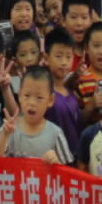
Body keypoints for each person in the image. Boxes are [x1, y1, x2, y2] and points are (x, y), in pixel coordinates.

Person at [0, 67, 73, 165]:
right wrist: (5, 135)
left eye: (39, 97)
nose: (32, 103)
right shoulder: (8, 129)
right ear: (20, 96)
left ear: (50, 100)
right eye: (27, 95)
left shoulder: (55, 134)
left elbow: (67, 172)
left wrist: (57, 162)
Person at [43, 28, 82, 156]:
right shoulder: (43, 95)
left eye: (68, 57)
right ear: (46, 58)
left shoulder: (71, 95)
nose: (64, 62)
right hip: (53, 162)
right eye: (58, 56)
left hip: (73, 161)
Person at [60, 0, 93, 72]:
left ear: (90, 21)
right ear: (63, 20)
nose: (79, 23)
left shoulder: (98, 48)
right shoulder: (59, 53)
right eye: (73, 17)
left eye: (84, 17)